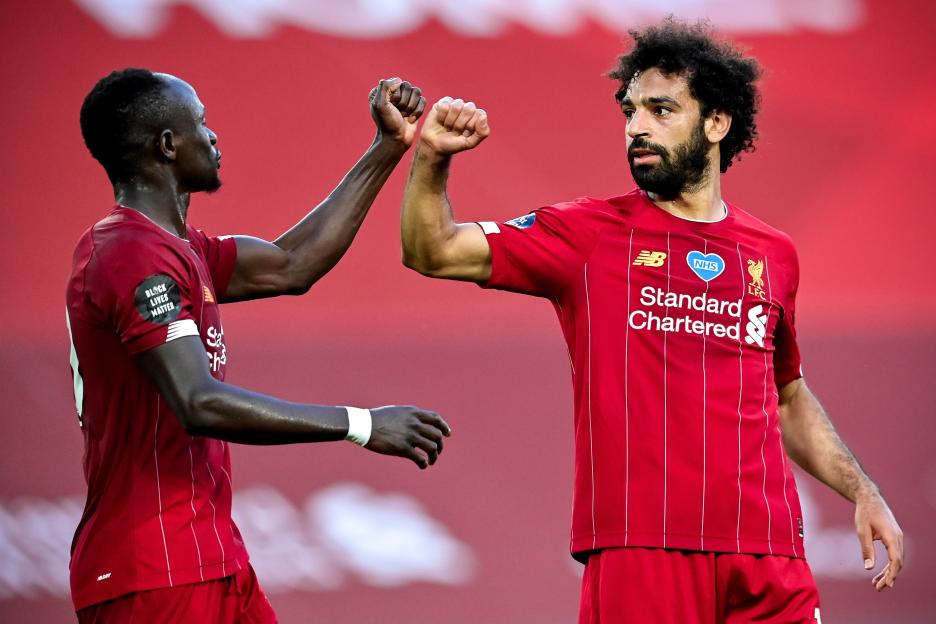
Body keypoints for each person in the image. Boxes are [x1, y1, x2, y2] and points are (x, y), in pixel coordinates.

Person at [400, 18, 902, 624]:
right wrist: (433, 157)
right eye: (630, 110)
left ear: (716, 123)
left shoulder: (773, 254)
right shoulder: (588, 234)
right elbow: (431, 250)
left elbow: (788, 397)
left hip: (770, 554)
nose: (637, 126)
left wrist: (862, 490)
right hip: (643, 549)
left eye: (661, 110)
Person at [65, 68, 450, 623]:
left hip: (210, 556)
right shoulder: (130, 254)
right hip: (153, 570)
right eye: (200, 122)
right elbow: (198, 401)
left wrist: (387, 147)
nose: (212, 135)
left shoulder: (177, 248)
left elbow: (292, 264)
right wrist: (361, 424)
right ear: (168, 145)